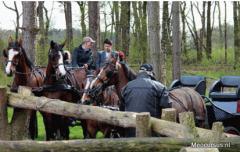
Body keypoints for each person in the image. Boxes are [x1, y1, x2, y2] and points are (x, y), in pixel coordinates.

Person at [121, 63, 170, 137]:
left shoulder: (126, 87)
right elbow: (167, 108)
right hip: (153, 133)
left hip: (130, 134)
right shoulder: (161, 87)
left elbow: (122, 108)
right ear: (151, 73)